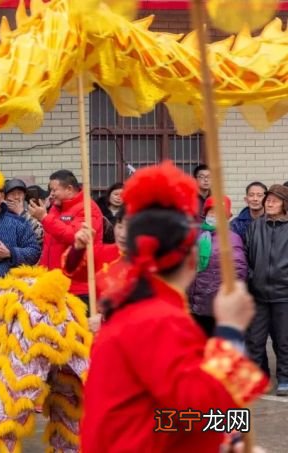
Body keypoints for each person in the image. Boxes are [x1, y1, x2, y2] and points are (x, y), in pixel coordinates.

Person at [81, 162, 268, 453]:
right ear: (193, 257)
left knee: (236, 423)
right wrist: (230, 331)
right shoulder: (157, 318)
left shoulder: (140, 306)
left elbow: (169, 412)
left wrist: (231, 431)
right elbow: (201, 403)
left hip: (142, 432)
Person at [29, 169, 103, 303]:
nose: (51, 195)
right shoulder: (56, 208)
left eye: (54, 190)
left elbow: (74, 237)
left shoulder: (88, 209)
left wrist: (44, 218)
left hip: (77, 288)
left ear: (69, 189)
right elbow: (49, 246)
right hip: (54, 284)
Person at [245, 184, 288, 396]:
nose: (269, 203)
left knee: (284, 340)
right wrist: (252, 279)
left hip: (284, 295)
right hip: (258, 294)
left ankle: (284, 378)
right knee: (255, 339)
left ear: (284, 205)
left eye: (274, 200)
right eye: (268, 200)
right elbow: (247, 255)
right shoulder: (255, 226)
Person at [188, 197, 247, 337]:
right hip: (194, 303)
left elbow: (238, 271)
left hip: (216, 303)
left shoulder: (232, 238)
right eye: (211, 212)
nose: (214, 216)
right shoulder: (196, 236)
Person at [0, 186, 41, 277]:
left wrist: (10, 252)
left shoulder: (18, 222)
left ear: (2, 197)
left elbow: (34, 252)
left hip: (11, 284)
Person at [3, 179, 43, 246]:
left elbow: (40, 236)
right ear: (5, 197)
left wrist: (22, 213)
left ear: (24, 196)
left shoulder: (32, 213)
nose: (16, 197)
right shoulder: (1, 215)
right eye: (12, 194)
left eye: (19, 193)